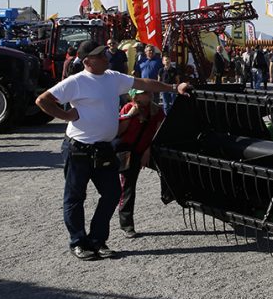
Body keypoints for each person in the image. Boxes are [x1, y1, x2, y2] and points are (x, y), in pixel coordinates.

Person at [34, 40, 192, 261]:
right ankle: (78, 242)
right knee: (75, 197)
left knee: (112, 193)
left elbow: (144, 83)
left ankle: (97, 240)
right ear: (87, 61)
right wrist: (66, 116)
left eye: (104, 53)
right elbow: (42, 100)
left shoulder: (112, 77)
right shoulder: (76, 81)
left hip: (104, 148)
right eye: (100, 55)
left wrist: (174, 88)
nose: (105, 57)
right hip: (78, 148)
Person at [115, 88, 165, 237]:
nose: (149, 94)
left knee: (168, 168)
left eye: (148, 92)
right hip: (127, 152)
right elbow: (119, 132)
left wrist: (148, 151)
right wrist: (130, 115)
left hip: (147, 149)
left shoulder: (156, 110)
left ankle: (169, 195)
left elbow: (159, 134)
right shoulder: (128, 108)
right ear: (135, 96)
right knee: (128, 187)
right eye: (143, 93)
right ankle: (127, 225)